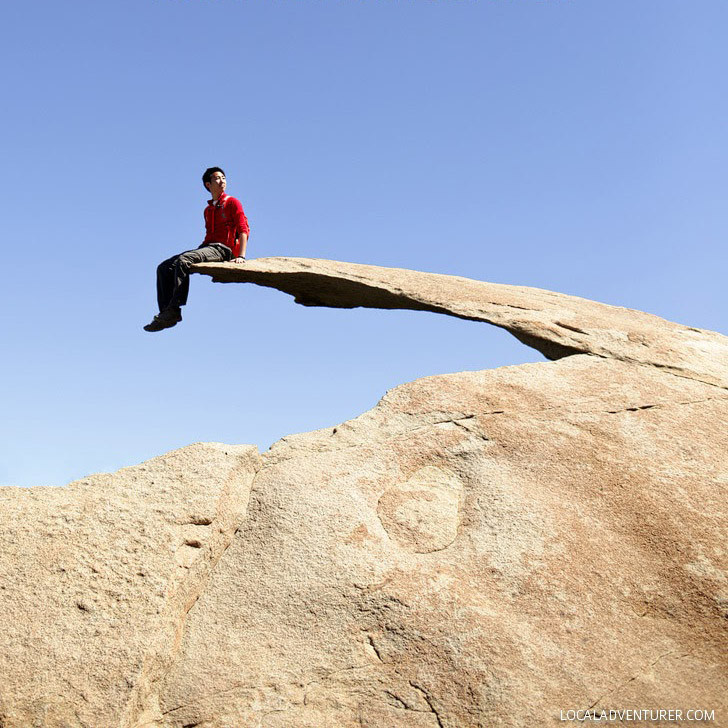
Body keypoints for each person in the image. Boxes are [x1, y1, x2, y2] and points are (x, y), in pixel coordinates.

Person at [144, 167, 250, 332]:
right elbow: (209, 236)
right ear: (208, 184)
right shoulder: (208, 210)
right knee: (164, 267)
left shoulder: (232, 202)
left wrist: (241, 256)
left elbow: (243, 229)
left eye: (223, 177)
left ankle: (175, 309)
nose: (222, 181)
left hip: (223, 250)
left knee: (184, 260)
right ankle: (165, 313)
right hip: (208, 247)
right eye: (217, 178)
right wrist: (199, 251)